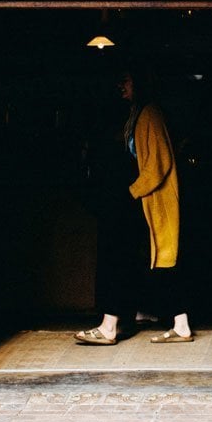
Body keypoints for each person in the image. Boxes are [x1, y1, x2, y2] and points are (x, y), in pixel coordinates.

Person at [76, 68, 190, 345]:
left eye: (126, 79)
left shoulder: (149, 114)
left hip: (153, 200)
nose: (121, 84)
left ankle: (110, 325)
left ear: (140, 82)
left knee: (126, 255)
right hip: (145, 200)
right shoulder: (138, 114)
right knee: (152, 261)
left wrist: (130, 192)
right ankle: (177, 324)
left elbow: (158, 164)